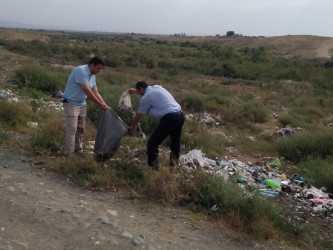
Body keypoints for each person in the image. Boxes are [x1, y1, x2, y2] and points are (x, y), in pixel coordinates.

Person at [129, 80, 185, 170]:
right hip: (180, 115)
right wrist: (136, 91)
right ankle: (174, 165)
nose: (139, 93)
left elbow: (139, 115)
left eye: (138, 91)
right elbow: (150, 93)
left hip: (170, 118)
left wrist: (133, 126)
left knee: (152, 143)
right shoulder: (157, 87)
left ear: (141, 89)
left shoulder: (146, 98)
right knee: (175, 142)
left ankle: (153, 169)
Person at [61, 56, 111, 156]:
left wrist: (105, 104)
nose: (99, 71)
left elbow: (95, 92)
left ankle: (78, 150)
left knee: (80, 128)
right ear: (92, 65)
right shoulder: (81, 70)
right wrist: (99, 104)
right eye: (98, 68)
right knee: (72, 129)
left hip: (82, 104)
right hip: (71, 103)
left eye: (101, 69)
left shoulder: (93, 76)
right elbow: (86, 90)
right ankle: (69, 154)